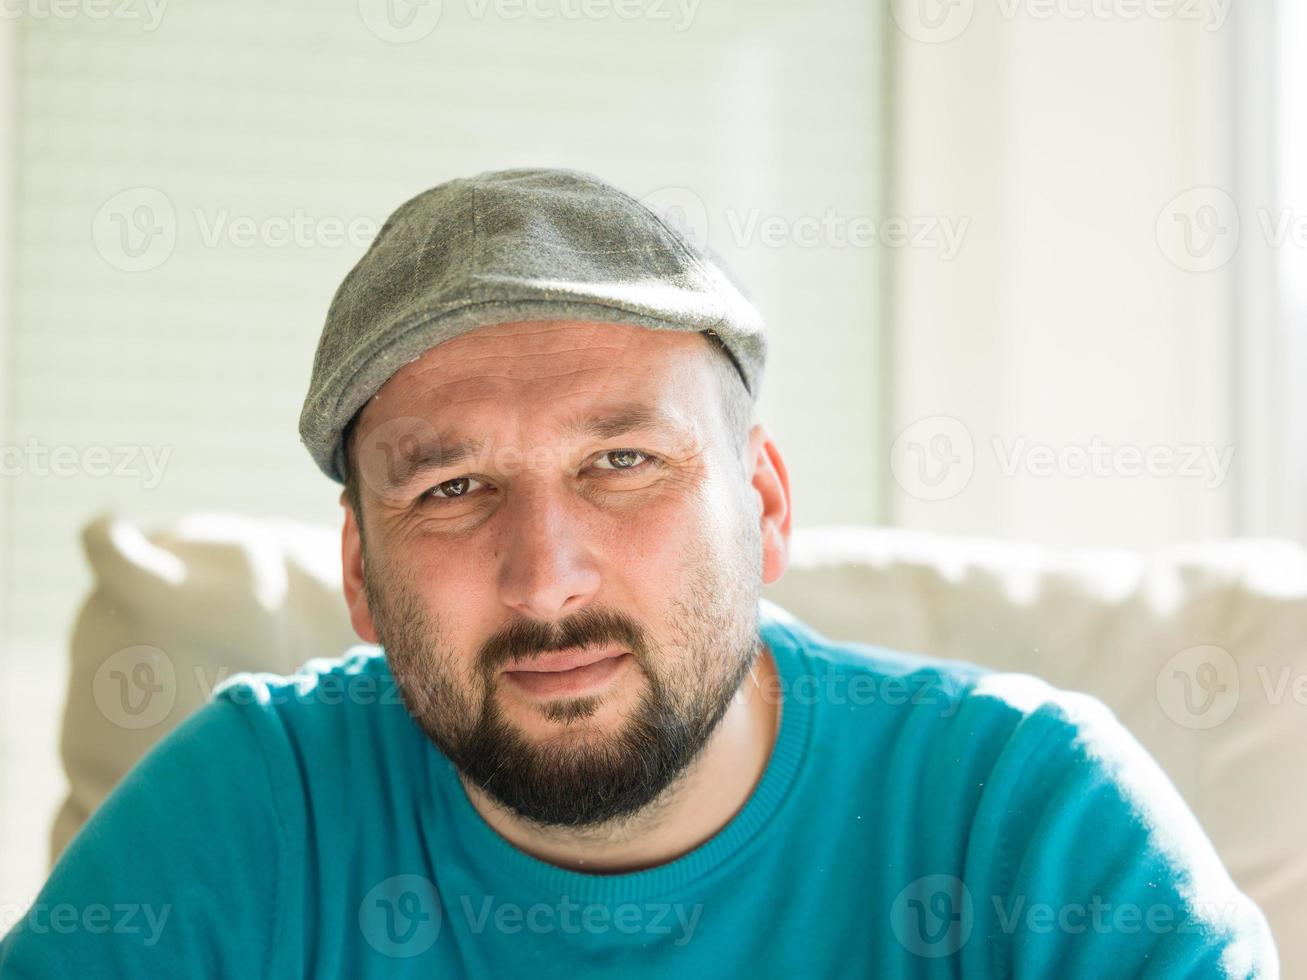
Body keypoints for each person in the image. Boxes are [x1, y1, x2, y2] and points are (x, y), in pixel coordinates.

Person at [0, 168, 1279, 977]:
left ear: (763, 506)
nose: (545, 576)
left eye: (621, 461)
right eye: (451, 490)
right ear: (359, 572)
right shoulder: (252, 810)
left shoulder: (1029, 812)